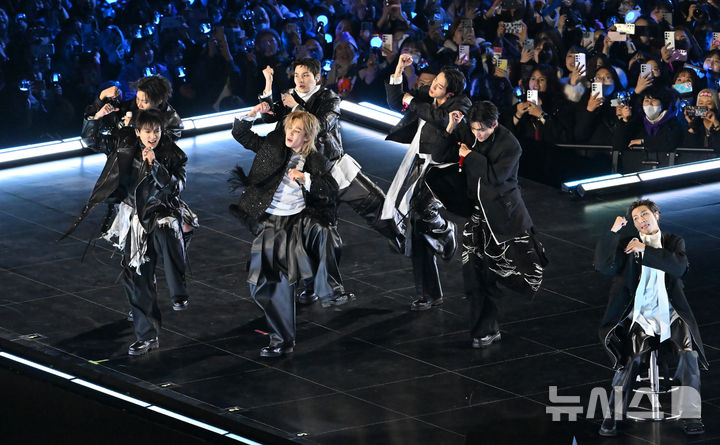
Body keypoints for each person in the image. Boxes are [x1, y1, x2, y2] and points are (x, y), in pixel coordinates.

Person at [257, 57, 395, 306]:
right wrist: (268, 84)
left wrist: (297, 106)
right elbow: (270, 117)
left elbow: (319, 126)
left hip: (329, 168)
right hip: (301, 173)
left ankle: (405, 239)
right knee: (315, 231)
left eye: (306, 75)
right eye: (297, 75)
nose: (300, 80)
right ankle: (319, 287)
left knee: (370, 208)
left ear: (317, 77)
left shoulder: (328, 98)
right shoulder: (290, 96)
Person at [62, 109, 189, 356]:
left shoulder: (174, 154)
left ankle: (179, 294)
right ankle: (146, 336)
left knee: (167, 233)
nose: (153, 136)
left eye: (156, 131)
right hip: (133, 219)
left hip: (160, 214)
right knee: (136, 276)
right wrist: (94, 115)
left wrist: (156, 166)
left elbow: (177, 186)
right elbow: (91, 140)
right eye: (148, 131)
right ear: (137, 132)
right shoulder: (124, 146)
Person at [229, 107, 338, 357]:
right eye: (289, 128)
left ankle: (282, 339)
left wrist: (305, 178)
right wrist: (252, 114)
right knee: (258, 285)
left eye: (297, 131)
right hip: (268, 221)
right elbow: (241, 135)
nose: (290, 134)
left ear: (307, 137)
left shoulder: (315, 160)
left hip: (294, 224)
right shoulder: (273, 147)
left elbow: (330, 189)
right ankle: (281, 326)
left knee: (279, 284)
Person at [595, 199, 707, 437]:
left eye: (644, 214)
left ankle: (691, 416)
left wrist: (645, 250)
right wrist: (613, 232)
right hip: (641, 315)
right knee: (629, 360)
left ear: (656, 215)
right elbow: (603, 266)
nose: (640, 220)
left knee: (689, 355)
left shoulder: (673, 241)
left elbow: (679, 268)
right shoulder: (627, 244)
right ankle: (613, 416)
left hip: (671, 313)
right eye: (636, 218)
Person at [441, 100, 547, 348]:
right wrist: (450, 128)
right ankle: (484, 329)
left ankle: (493, 299)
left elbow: (495, 177)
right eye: (474, 129)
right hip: (477, 217)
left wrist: (470, 156)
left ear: (495, 124)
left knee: (525, 273)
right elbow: (442, 153)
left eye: (483, 130)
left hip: (504, 217)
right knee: (474, 274)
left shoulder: (510, 145)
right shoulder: (469, 132)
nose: (478, 134)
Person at [384, 54, 471, 311]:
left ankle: (444, 232)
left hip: (443, 171)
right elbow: (395, 101)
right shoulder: (427, 94)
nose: (433, 87)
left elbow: (441, 118)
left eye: (439, 85)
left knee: (418, 216)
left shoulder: (461, 104)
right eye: (434, 82)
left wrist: (413, 102)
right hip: (419, 162)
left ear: (450, 92)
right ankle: (429, 291)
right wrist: (399, 70)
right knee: (417, 226)